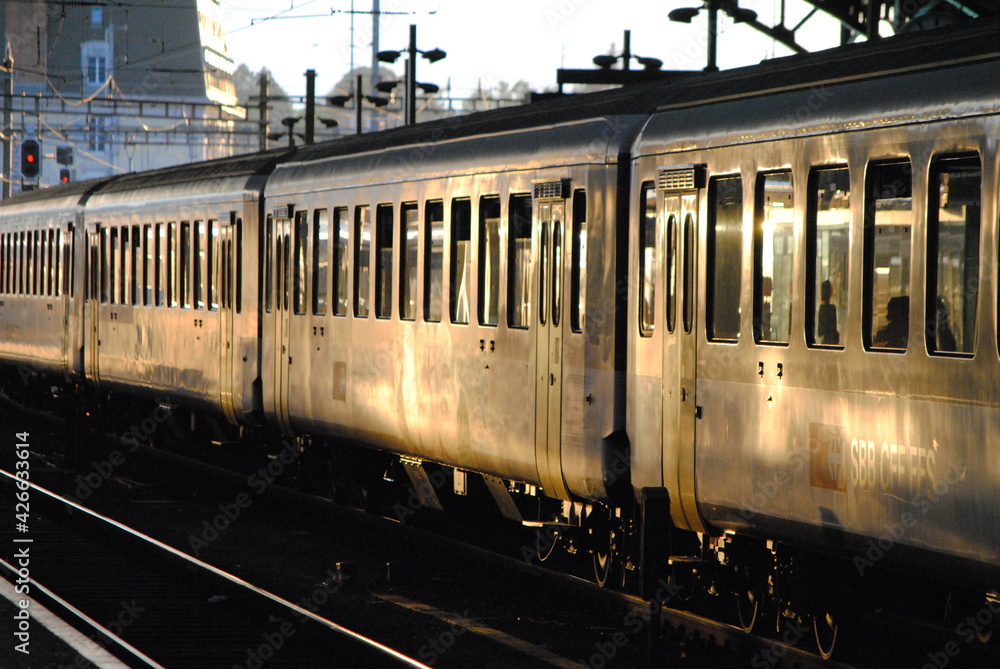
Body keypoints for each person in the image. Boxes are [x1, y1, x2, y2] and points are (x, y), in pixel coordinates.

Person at [817, 280, 839, 345]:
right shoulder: (832, 308)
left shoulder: (821, 308)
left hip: (825, 340)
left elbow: (820, 330)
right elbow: (833, 329)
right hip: (831, 341)